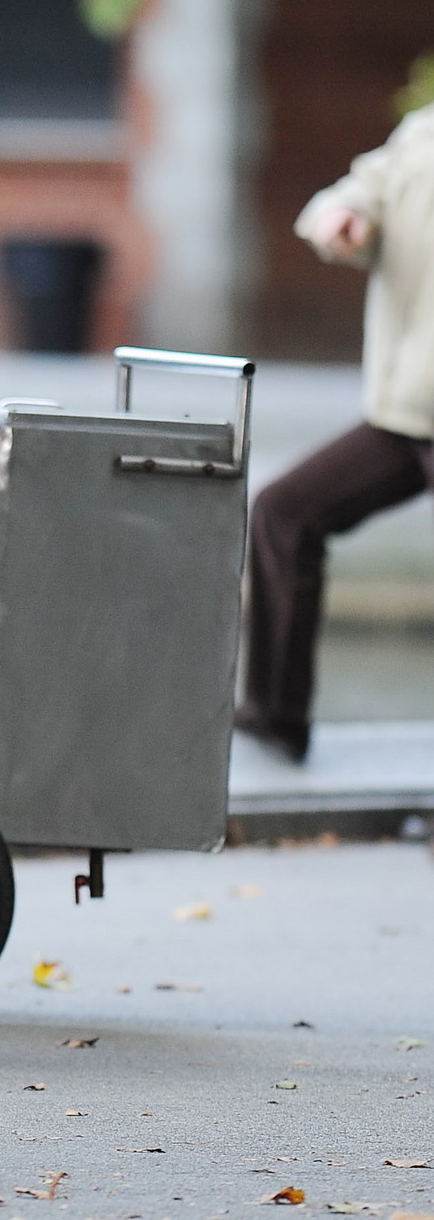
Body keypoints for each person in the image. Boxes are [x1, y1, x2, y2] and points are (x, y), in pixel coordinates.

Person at [237, 103, 434, 762]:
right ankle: (274, 718)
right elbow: (361, 188)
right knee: (284, 513)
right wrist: (343, 218)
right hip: (405, 414)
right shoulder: (425, 131)